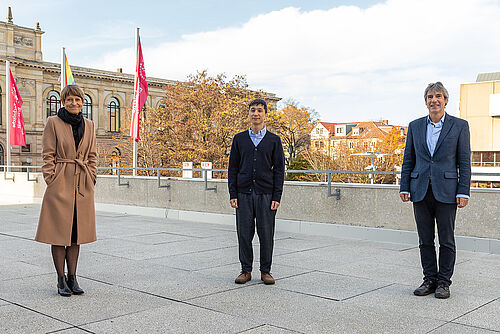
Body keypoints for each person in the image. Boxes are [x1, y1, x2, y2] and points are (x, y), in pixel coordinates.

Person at [400, 82, 471, 299]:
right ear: (426, 101)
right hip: (420, 189)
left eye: (438, 96)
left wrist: (463, 191)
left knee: (446, 240)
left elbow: (464, 161)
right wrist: (404, 186)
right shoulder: (415, 126)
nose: (434, 100)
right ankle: (429, 280)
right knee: (425, 239)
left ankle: (444, 283)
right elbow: (408, 159)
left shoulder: (459, 126)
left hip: (447, 191)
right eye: (430, 96)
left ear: (445, 100)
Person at [35, 85, 97, 296]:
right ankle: (61, 279)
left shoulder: (89, 125)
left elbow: (92, 156)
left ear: (82, 102)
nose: (74, 103)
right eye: (70, 99)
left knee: (76, 235)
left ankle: (73, 278)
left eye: (78, 100)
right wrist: (51, 180)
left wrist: (92, 177)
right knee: (58, 233)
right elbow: (47, 155)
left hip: (82, 185)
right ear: (63, 101)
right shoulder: (53, 122)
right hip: (60, 183)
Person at [228, 98, 285, 285]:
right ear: (249, 113)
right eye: (253, 110)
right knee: (244, 233)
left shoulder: (274, 140)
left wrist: (277, 196)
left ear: (265, 114)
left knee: (266, 234)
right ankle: (245, 270)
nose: (256, 113)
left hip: (266, 194)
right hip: (243, 194)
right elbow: (233, 168)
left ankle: (265, 271)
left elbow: (279, 170)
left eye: (260, 110)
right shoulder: (239, 139)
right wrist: (233, 193)